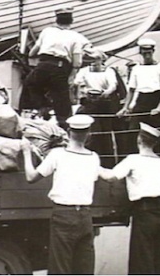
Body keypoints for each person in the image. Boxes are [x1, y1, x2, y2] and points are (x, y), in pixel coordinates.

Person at [21, 114, 107, 274]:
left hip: (63, 215)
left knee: (60, 266)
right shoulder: (93, 158)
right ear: (89, 134)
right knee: (84, 267)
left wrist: (27, 153)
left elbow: (31, 177)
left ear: (68, 132)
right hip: (85, 216)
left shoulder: (57, 155)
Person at [100, 123, 160, 275]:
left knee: (142, 258)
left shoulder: (133, 160)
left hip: (143, 211)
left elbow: (111, 177)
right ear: (155, 143)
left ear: (139, 140)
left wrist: (95, 166)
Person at [21, 7, 101, 130]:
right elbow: (77, 61)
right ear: (71, 21)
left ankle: (43, 107)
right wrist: (72, 76)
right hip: (60, 69)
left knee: (30, 83)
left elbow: (32, 53)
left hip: (43, 65)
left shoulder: (47, 31)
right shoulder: (76, 36)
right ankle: (65, 129)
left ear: (56, 20)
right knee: (62, 101)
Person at [117, 38, 160, 153]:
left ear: (153, 51)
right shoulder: (137, 69)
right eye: (144, 52)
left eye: (149, 52)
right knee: (133, 134)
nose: (147, 55)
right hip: (141, 101)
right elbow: (131, 90)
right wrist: (125, 107)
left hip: (155, 100)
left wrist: (159, 108)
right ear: (140, 52)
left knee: (155, 136)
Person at [73, 54, 118, 167]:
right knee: (91, 133)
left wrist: (106, 93)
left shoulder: (109, 71)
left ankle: (107, 164)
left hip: (103, 103)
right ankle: (87, 162)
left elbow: (113, 85)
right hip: (89, 102)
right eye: (91, 60)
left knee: (105, 133)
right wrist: (82, 92)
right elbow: (77, 82)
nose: (93, 62)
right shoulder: (84, 71)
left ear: (101, 60)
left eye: (96, 59)